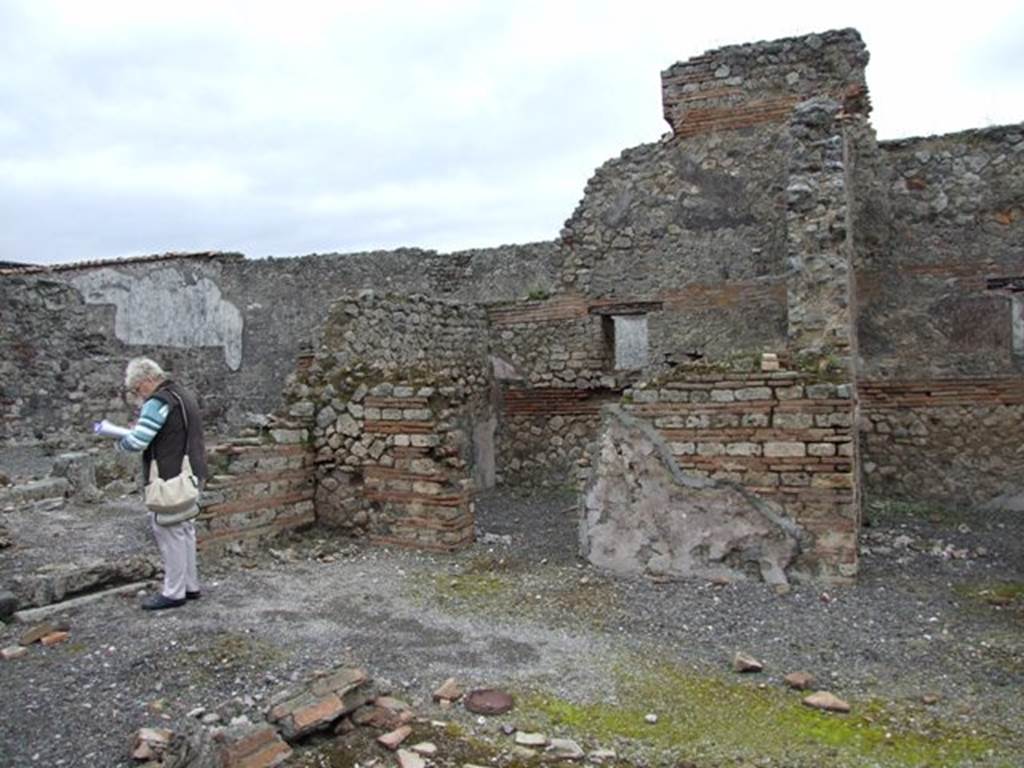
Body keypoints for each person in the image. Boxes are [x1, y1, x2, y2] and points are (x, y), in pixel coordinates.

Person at [117, 357, 208, 610]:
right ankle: (190, 586)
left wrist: (120, 439)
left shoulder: (158, 402)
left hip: (170, 475)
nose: (139, 396)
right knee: (185, 529)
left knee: (168, 530)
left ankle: (174, 591)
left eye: (137, 389)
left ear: (147, 380)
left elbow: (139, 441)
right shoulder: (182, 395)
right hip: (194, 470)